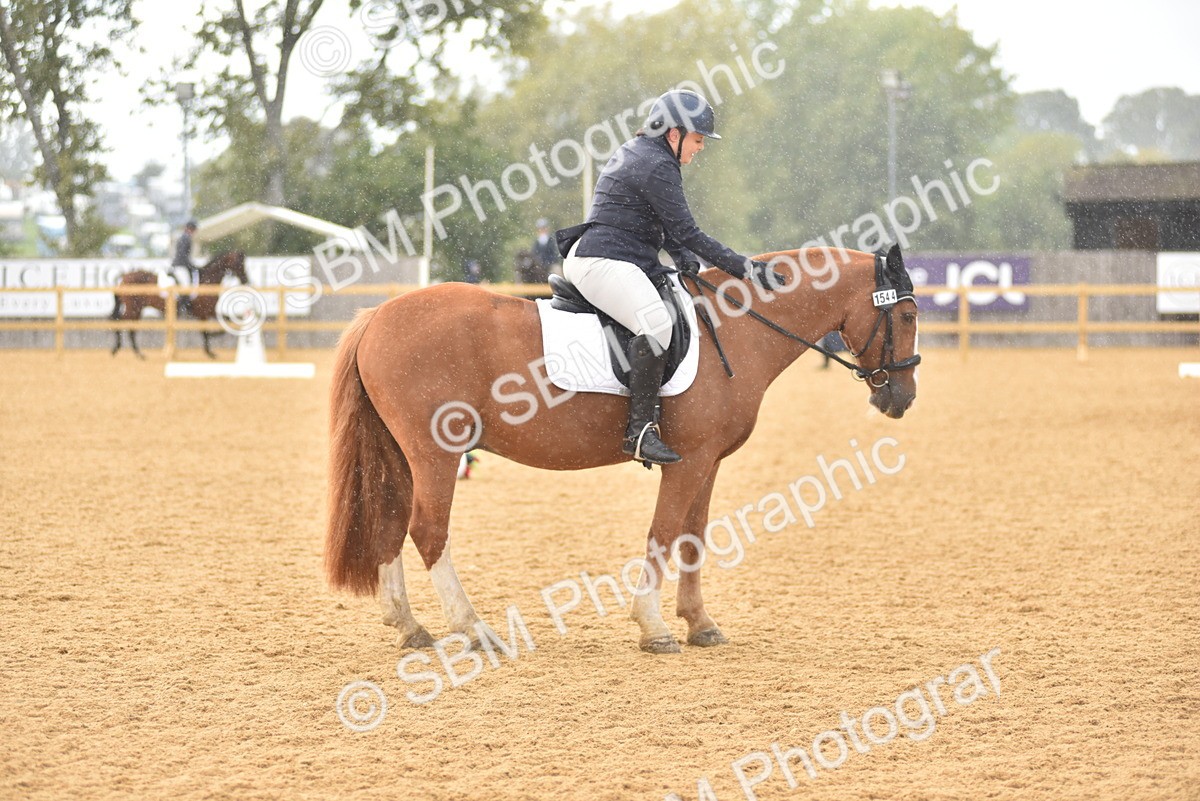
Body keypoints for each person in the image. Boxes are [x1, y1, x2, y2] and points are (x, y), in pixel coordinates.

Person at [556, 89, 787, 466]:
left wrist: (683, 258)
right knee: (657, 323)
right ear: (674, 133)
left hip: (617, 256)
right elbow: (689, 232)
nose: (701, 148)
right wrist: (746, 269)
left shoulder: (646, 153)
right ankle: (640, 431)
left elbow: (666, 226)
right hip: (603, 261)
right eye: (698, 140)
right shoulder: (656, 164)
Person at [170, 220, 199, 286]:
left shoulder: (184, 237)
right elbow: (182, 254)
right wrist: (191, 265)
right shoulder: (186, 238)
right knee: (186, 287)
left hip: (180, 265)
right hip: (181, 266)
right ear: (191, 229)